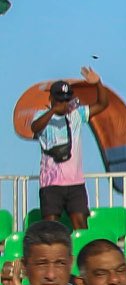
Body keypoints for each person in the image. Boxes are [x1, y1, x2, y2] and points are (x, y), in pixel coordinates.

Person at [29, 72, 97, 228]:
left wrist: (97, 83)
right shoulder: (42, 116)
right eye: (60, 99)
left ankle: (78, 252)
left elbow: (102, 104)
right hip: (51, 183)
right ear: (52, 99)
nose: (64, 103)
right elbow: (34, 127)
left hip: (75, 183)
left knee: (81, 226)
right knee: (51, 228)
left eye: (66, 99)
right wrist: (54, 110)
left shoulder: (76, 115)